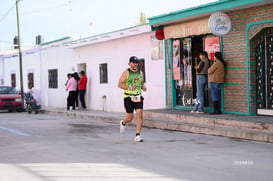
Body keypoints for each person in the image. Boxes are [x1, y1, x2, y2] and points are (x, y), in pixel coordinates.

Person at [118, 56, 147, 142]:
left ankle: (137, 135)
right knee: (130, 117)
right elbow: (119, 85)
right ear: (129, 63)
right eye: (133, 62)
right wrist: (129, 87)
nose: (135, 64)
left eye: (136, 63)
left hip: (138, 96)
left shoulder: (141, 73)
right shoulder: (126, 73)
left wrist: (143, 87)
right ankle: (123, 123)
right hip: (128, 97)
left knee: (139, 114)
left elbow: (141, 83)